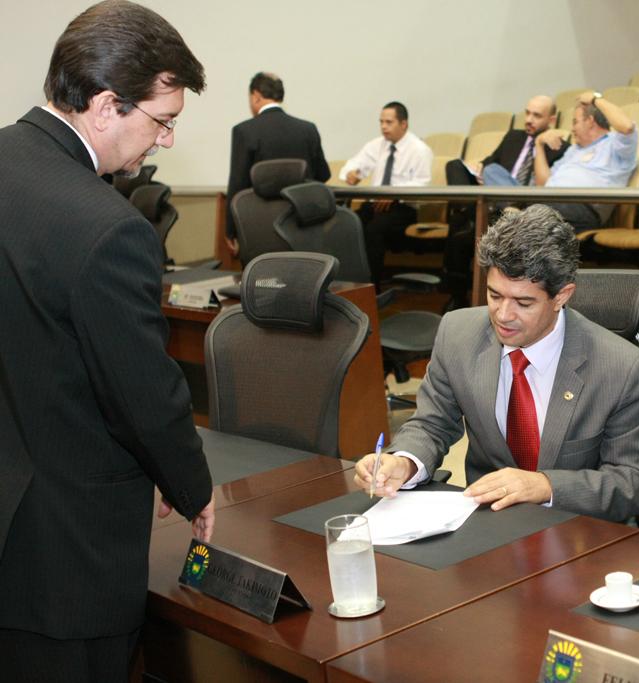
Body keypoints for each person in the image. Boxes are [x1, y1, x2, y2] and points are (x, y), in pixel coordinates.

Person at [0, 2, 215, 680]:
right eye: (163, 120)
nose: (166, 141)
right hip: (66, 560)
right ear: (104, 106)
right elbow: (142, 393)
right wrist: (192, 486)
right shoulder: (109, 227)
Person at [354, 205, 639, 522]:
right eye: (494, 295)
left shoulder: (620, 367)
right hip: (488, 524)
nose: (503, 315)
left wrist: (545, 486)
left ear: (561, 296)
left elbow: (635, 483)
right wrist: (404, 462)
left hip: (575, 530)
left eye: (523, 303)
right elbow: (431, 425)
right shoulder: (457, 334)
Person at [442, 95, 567, 308]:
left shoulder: (558, 145)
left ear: (552, 120)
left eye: (537, 115)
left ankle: (472, 216)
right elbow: (489, 163)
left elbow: (546, 185)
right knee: (454, 165)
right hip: (497, 201)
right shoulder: (513, 137)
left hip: (525, 206)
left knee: (460, 227)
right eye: (527, 113)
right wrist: (478, 167)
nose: (529, 119)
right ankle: (471, 213)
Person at [224, 71, 331, 254]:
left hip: (257, 227)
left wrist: (230, 230)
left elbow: (238, 184)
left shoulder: (244, 131)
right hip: (303, 224)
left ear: (256, 96)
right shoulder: (308, 129)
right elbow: (323, 174)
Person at [340, 101, 432, 286]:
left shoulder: (419, 149)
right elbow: (352, 165)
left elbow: (422, 184)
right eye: (381, 122)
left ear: (403, 124)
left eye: (389, 122)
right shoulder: (377, 145)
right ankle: (348, 283)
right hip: (374, 204)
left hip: (402, 207)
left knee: (374, 230)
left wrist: (394, 193)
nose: (383, 126)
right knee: (347, 225)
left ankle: (371, 287)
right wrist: (351, 174)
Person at [534, 90, 638, 232]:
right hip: (548, 203)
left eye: (575, 122)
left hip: (581, 208)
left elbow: (627, 126)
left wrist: (596, 100)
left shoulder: (615, 144)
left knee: (526, 225)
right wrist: (539, 144)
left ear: (590, 121)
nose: (572, 129)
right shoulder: (573, 150)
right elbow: (543, 185)